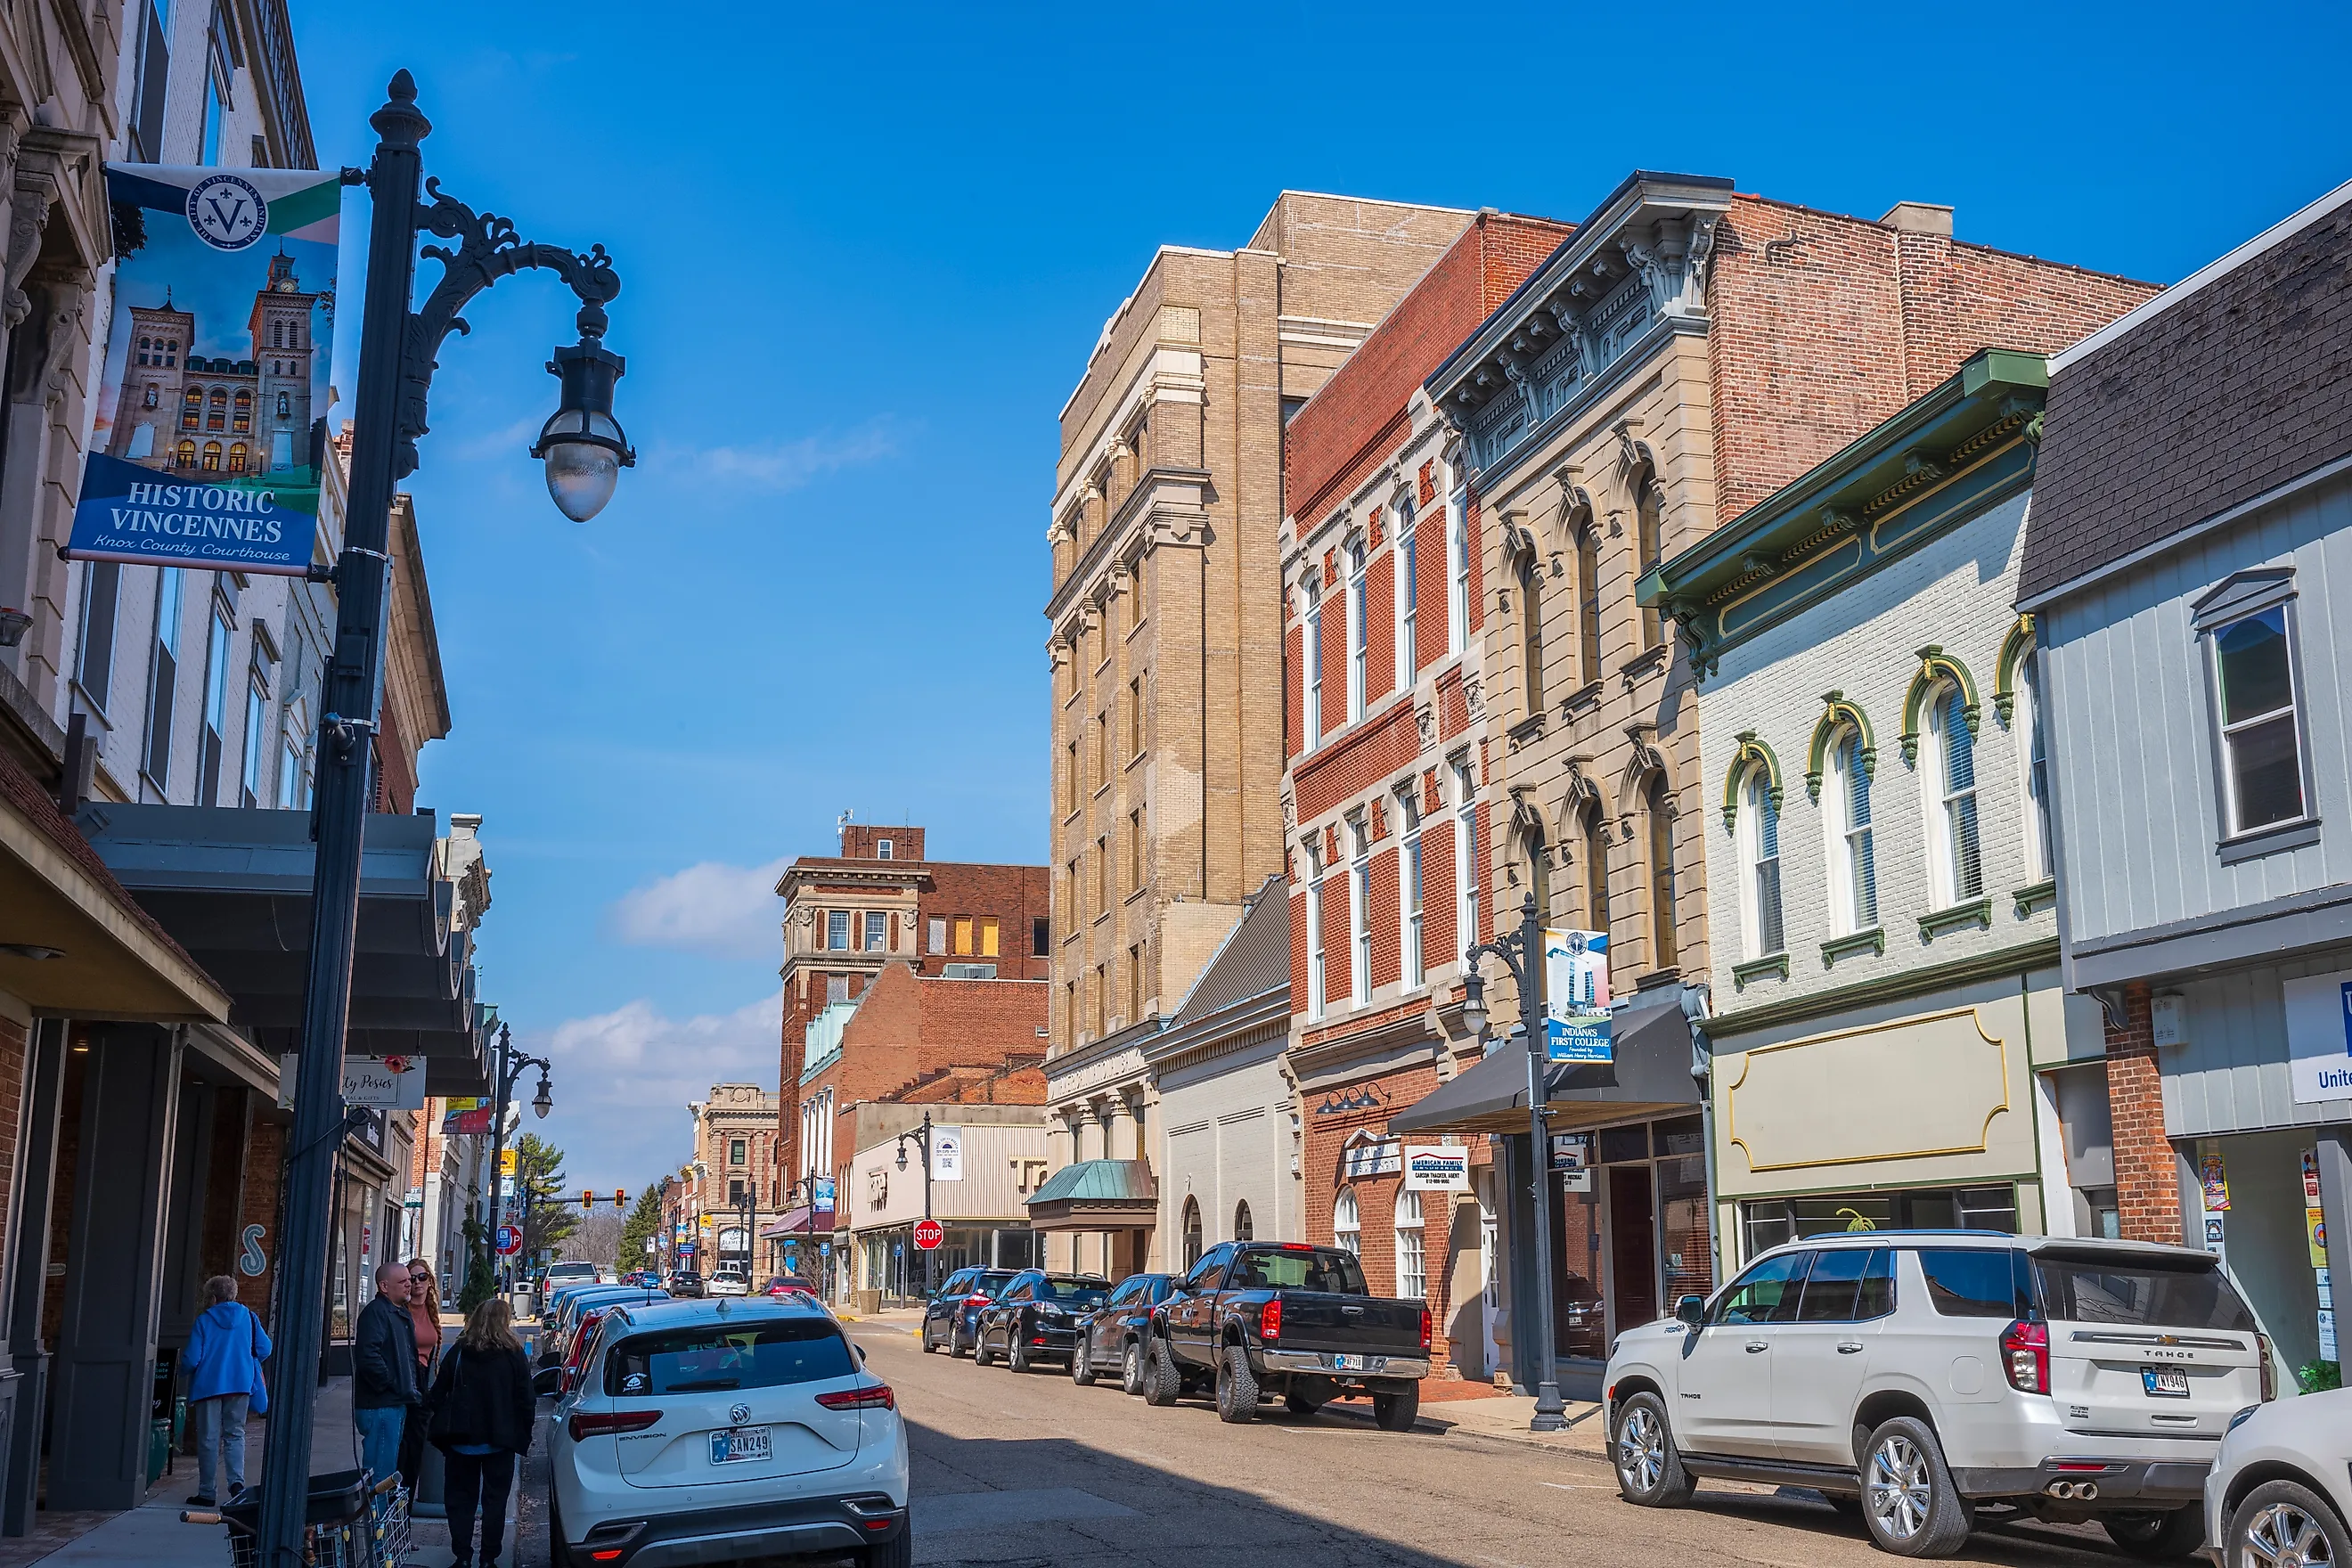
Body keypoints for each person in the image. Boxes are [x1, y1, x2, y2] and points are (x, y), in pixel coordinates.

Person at [426, 1297, 534, 1568]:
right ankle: (488, 1558)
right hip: (500, 1441)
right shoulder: (514, 1354)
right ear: (505, 1321)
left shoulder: (460, 1351)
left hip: (462, 1441)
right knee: (495, 1503)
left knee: (460, 1501)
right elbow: (526, 1399)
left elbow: (438, 1391)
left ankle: (462, 1556)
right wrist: (523, 1434)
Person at [182, 1275, 271, 1506]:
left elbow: (192, 1358)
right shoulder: (249, 1318)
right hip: (240, 1384)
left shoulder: (204, 1321)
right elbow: (265, 1348)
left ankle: (207, 1492)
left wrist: (182, 1370)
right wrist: (245, 1361)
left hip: (208, 1387)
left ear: (213, 1297)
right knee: (235, 1434)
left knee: (209, 1439)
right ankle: (236, 1483)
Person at [352, 1259, 421, 1483]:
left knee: (387, 1472)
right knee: (380, 1475)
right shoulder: (376, 1313)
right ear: (384, 1286)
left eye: (409, 1280)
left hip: (392, 1402)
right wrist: (392, 1384)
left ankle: (379, 1517)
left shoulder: (397, 1312)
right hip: (381, 1405)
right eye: (402, 1281)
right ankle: (376, 1518)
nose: (409, 1285)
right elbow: (368, 1357)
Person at [396, 1257, 444, 1492]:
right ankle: (397, 1503)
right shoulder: (400, 1311)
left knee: (416, 1449)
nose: (417, 1283)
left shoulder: (431, 1311)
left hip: (422, 1384)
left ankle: (406, 1504)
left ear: (429, 1280)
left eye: (422, 1277)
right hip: (404, 1383)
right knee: (402, 1448)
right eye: (411, 1278)